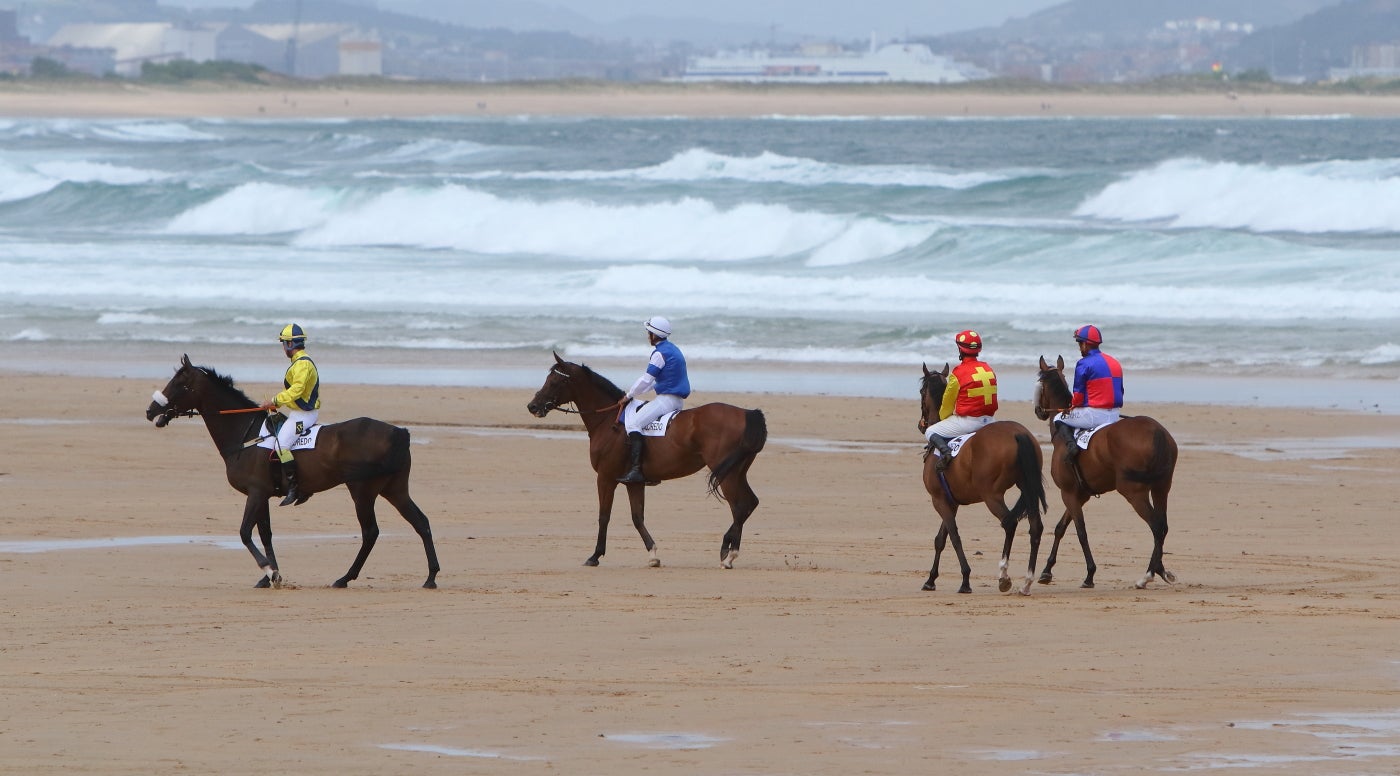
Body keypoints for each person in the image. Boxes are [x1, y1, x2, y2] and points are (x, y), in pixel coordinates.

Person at [608, 316, 690, 485]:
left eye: (649, 333)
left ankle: (637, 470)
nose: (648, 336)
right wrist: (634, 393)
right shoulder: (673, 349)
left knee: (632, 424)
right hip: (676, 400)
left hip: (667, 400)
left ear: (654, 334)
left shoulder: (660, 354)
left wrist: (629, 395)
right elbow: (653, 383)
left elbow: (646, 380)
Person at [259, 323, 320, 506]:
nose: (283, 347)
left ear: (290, 345)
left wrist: (275, 400)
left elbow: (297, 390)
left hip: (305, 415)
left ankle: (295, 487)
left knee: (282, 446)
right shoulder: (298, 363)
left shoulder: (302, 364)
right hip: (296, 412)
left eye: (284, 343)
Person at [923, 329, 999, 471]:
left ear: (960, 349)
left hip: (968, 423)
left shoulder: (957, 373)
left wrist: (944, 418)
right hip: (990, 421)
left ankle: (946, 454)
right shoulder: (988, 368)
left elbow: (947, 403)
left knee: (930, 431)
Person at [1053, 324, 1123, 469]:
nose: (1080, 348)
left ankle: (1072, 447)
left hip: (1095, 415)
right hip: (1115, 415)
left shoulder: (1083, 363)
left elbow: (1078, 396)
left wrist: (1070, 408)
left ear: (1085, 344)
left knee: (1058, 418)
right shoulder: (1114, 361)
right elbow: (1120, 390)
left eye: (1080, 344)